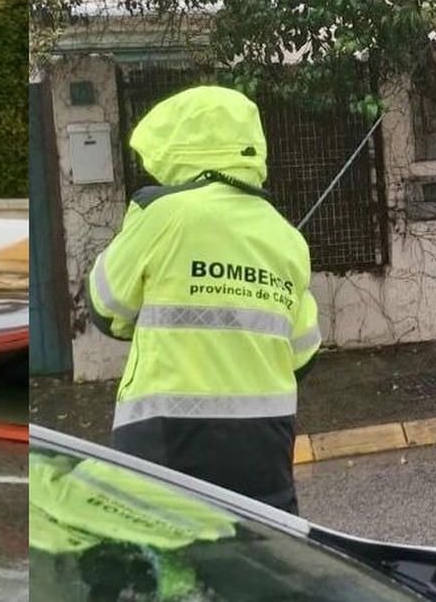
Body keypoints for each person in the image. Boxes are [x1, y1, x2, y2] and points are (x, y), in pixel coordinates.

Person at [86, 84, 320, 513]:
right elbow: (303, 353)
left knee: (162, 565)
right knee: (254, 562)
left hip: (165, 433)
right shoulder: (288, 238)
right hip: (265, 440)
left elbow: (106, 306)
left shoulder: (162, 213)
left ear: (179, 147)